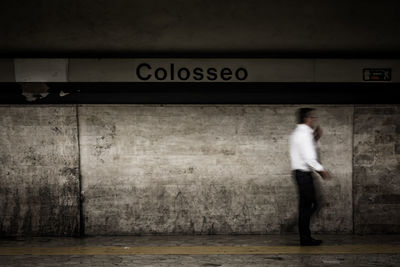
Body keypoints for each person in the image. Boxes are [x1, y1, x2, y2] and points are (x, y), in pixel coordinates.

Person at [289, 108, 329, 246]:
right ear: (306, 119)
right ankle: (299, 227)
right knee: (313, 204)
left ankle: (305, 237)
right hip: (304, 175)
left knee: (305, 206)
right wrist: (321, 170)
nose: (314, 120)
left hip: (298, 174)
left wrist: (315, 138)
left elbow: (305, 150)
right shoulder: (305, 135)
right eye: (312, 117)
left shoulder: (297, 133)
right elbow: (308, 157)